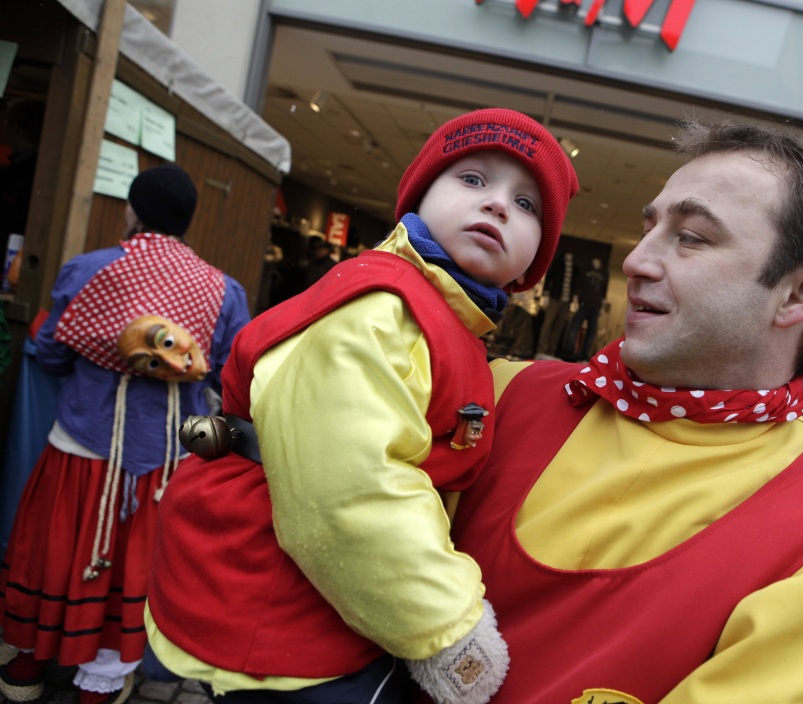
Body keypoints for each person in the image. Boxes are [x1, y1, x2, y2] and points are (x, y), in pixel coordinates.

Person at [447, 120, 803, 702]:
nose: (636, 262)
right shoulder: (499, 392)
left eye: (693, 237)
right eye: (649, 228)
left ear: (801, 292)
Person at [145, 108, 578, 703]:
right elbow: (348, 491)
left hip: (323, 591)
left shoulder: (443, 318)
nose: (499, 204)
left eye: (527, 204)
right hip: (282, 600)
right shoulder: (378, 310)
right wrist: (448, 632)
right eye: (472, 180)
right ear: (417, 199)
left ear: (535, 260)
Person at [0, 164, 250, 704]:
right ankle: (100, 687)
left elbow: (52, 354)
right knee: (131, 569)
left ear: (132, 210)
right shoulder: (224, 291)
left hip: (82, 442)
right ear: (186, 222)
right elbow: (232, 377)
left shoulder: (89, 269)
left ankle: (25, 667)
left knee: (52, 551)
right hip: (161, 459)